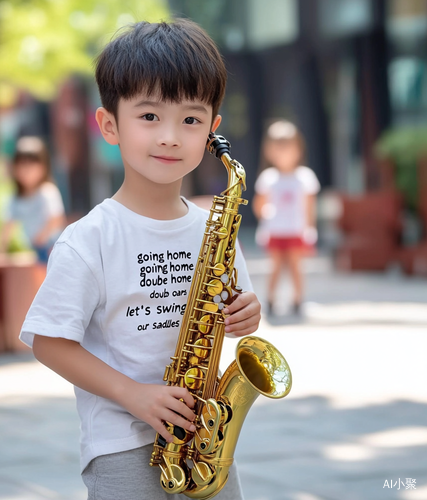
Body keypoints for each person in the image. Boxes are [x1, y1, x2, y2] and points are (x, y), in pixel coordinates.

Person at [19, 19, 261, 500]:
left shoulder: (216, 228)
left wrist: (246, 314)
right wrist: (133, 394)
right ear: (110, 125)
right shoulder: (88, 239)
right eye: (149, 116)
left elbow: (237, 309)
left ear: (213, 130)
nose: (170, 136)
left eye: (190, 120)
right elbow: (48, 342)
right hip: (122, 444)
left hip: (205, 437)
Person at [253, 120, 320, 316]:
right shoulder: (268, 178)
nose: (284, 153)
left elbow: (309, 206)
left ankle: (298, 300)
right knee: (274, 267)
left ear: (298, 149)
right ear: (269, 151)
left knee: (296, 267)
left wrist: (310, 228)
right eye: (279, 148)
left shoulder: (305, 177)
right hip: (275, 231)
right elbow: (260, 204)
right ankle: (271, 300)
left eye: (288, 147)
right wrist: (265, 218)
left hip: (296, 230)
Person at [0, 136, 66, 263]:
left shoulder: (47, 191)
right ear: (15, 169)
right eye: (22, 165)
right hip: (36, 249)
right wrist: (0, 251)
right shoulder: (15, 198)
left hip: (53, 247)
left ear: (44, 167)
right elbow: (7, 226)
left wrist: (41, 236)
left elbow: (57, 218)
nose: (26, 170)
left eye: (31, 165)